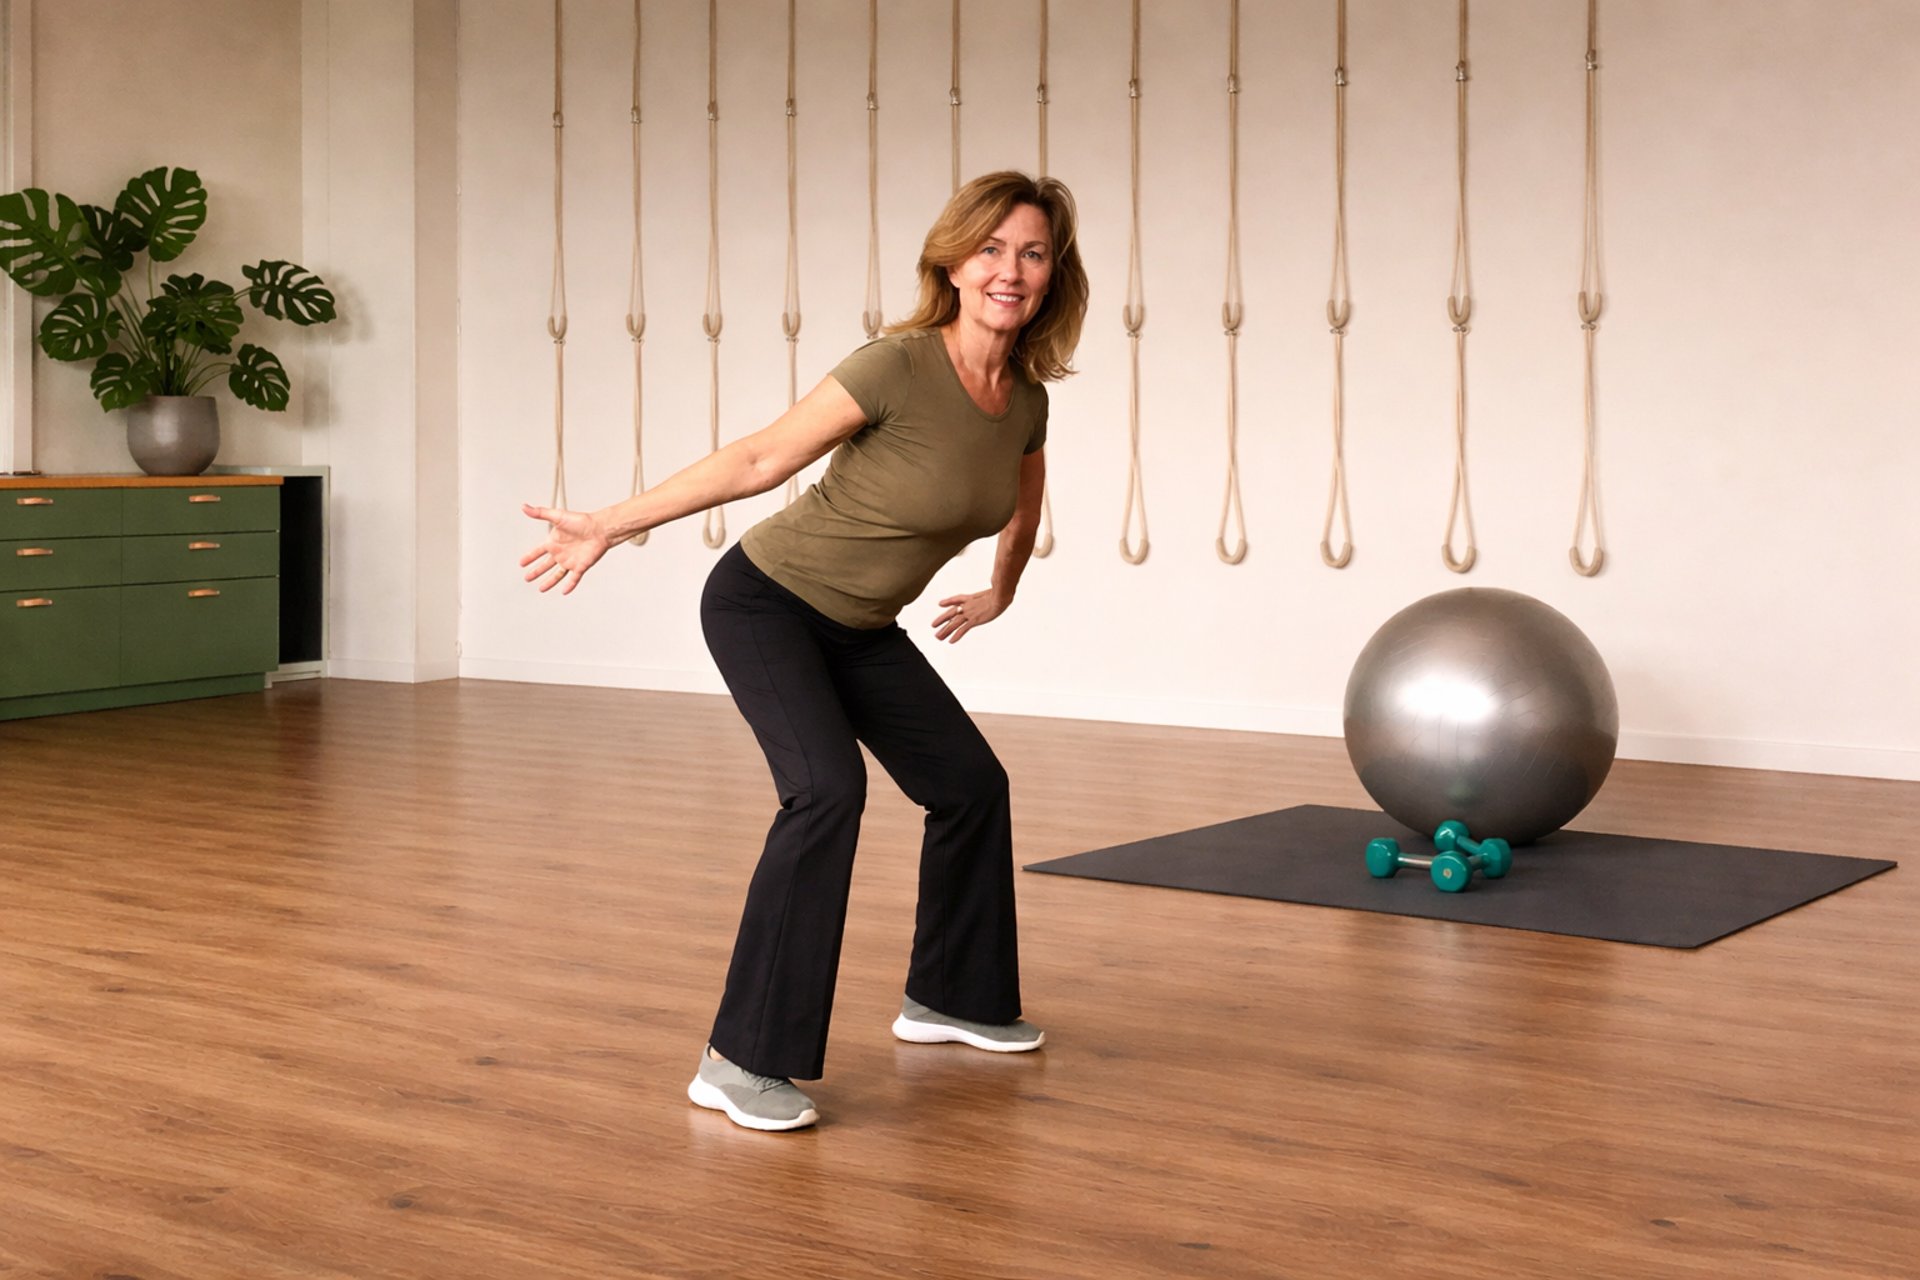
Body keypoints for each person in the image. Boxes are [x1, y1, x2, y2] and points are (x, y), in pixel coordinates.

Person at [519, 171, 1090, 1132]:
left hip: (861, 631)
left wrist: (1003, 590)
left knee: (969, 786)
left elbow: (1021, 511)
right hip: (767, 604)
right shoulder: (896, 366)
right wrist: (611, 524)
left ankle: (951, 997)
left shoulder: (1025, 399)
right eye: (991, 249)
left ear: (1051, 276)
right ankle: (739, 1060)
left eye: (1032, 253)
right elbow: (759, 458)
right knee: (826, 792)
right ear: (953, 265)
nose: (1010, 270)